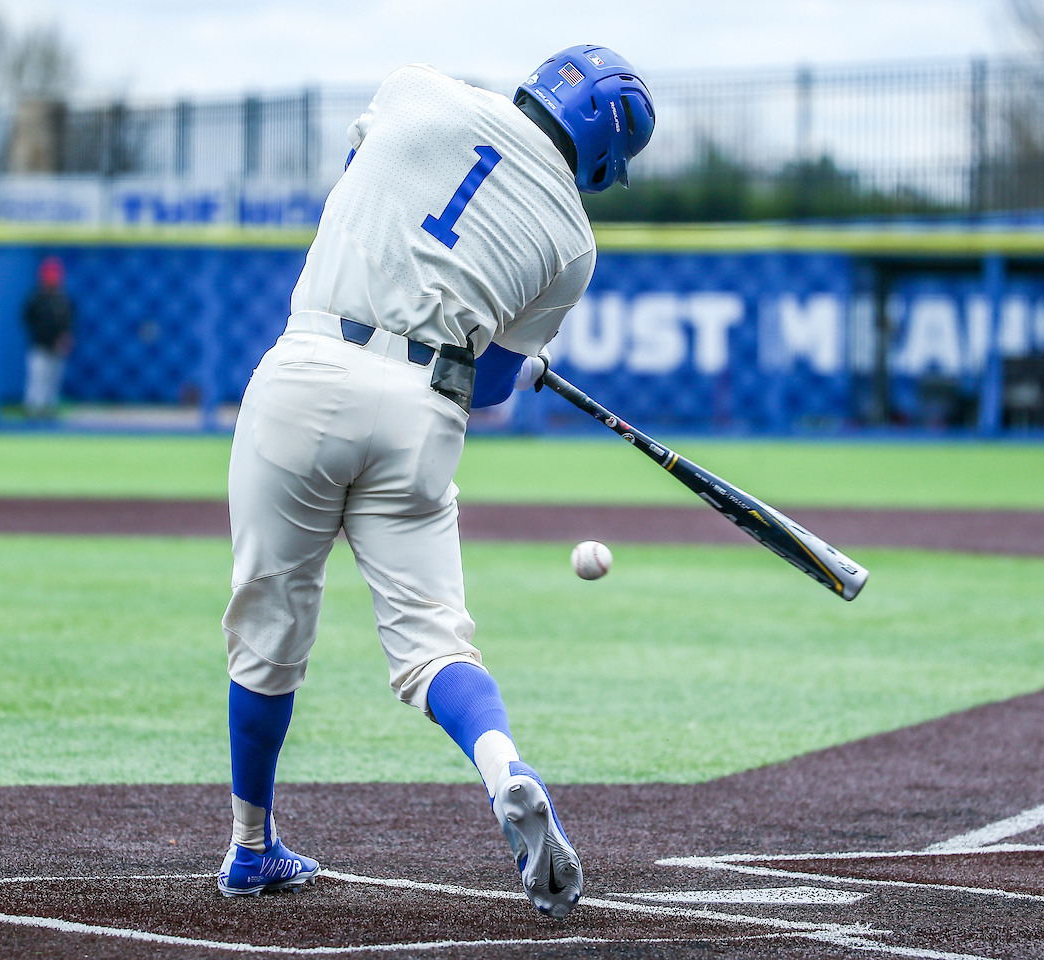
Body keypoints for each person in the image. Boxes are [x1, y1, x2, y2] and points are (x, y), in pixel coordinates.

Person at [217, 46, 655, 920]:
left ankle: (252, 847)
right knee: (435, 646)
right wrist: (514, 359)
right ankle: (506, 768)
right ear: (607, 159)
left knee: (268, 626)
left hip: (308, 367)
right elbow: (488, 385)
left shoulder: (413, 87)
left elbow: (358, 184)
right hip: (420, 415)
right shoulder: (574, 242)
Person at [22, 255, 74, 418]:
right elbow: (28, 319)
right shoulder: (36, 298)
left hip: (57, 348)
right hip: (39, 346)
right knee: (37, 379)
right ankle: (33, 410)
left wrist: (65, 338)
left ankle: (49, 410)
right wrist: (43, 337)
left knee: (53, 381)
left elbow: (69, 322)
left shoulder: (63, 299)